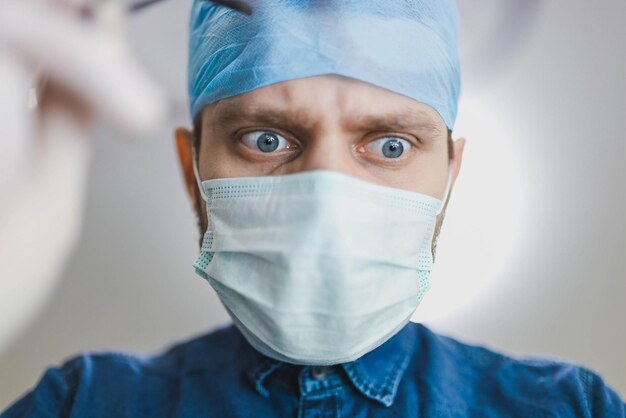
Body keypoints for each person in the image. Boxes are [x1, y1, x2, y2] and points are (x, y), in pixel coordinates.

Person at [2, 0, 625, 417]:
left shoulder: (572, 409)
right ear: (191, 172)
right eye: (266, 139)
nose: (327, 192)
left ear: (450, 178)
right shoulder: (85, 404)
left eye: (388, 144)